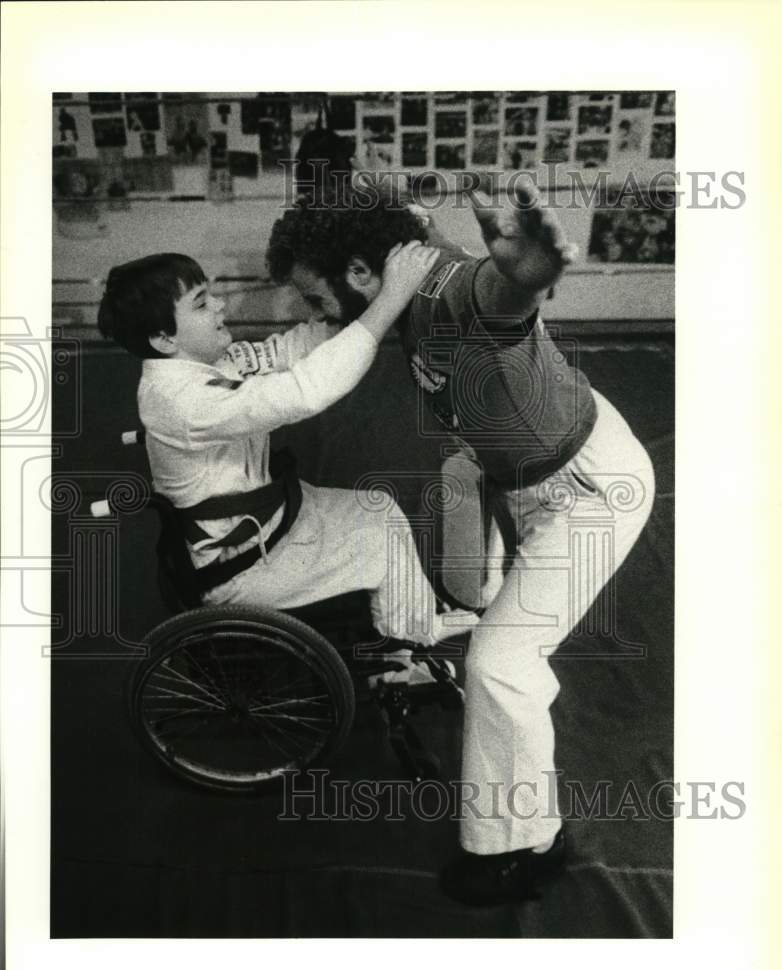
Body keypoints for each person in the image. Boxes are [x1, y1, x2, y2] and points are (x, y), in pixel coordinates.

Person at [266, 177, 656, 905]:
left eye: (318, 300)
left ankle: (526, 845)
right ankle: (479, 603)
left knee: (502, 667)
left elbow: (500, 295)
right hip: (518, 465)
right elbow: (408, 233)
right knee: (457, 473)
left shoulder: (446, 291)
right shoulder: (399, 262)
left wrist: (529, 274)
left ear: (359, 275)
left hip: (589, 493)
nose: (316, 317)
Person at [96, 250, 479, 648]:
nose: (220, 305)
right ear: (164, 338)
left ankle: (408, 627)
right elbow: (303, 391)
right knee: (378, 537)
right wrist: (389, 302)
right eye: (201, 303)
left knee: (379, 510)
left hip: (258, 525)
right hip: (238, 569)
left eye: (212, 295)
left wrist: (356, 301)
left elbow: (288, 351)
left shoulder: (207, 365)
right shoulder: (180, 400)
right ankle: (410, 635)